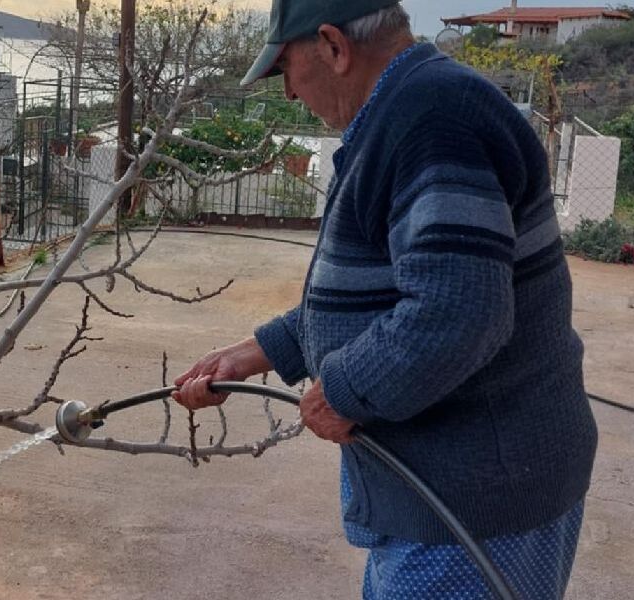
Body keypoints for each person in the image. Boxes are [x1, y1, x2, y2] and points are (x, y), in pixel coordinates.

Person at [171, 1, 598, 598]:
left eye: (285, 68)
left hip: (472, 503)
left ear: (333, 46)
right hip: (455, 494)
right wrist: (253, 353)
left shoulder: (433, 120)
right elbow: (385, 293)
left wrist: (345, 391)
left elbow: (459, 311)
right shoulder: (410, 108)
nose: (288, 92)